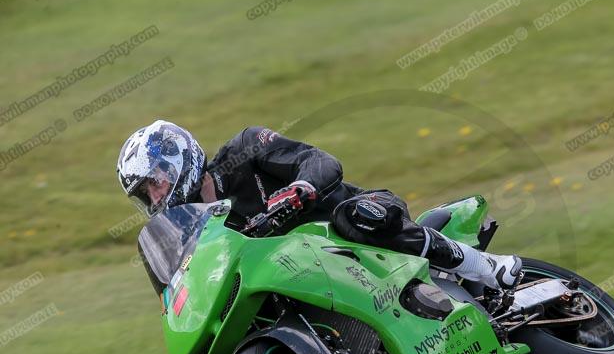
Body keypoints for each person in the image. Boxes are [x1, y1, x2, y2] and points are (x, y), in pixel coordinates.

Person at [117, 120, 522, 292]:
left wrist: (301, 188)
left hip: (359, 214)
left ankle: (487, 266)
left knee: (354, 217)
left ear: (176, 159)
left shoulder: (245, 148)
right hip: (315, 272)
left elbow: (320, 161)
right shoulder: (196, 233)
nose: (155, 198)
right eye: (145, 195)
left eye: (154, 184)